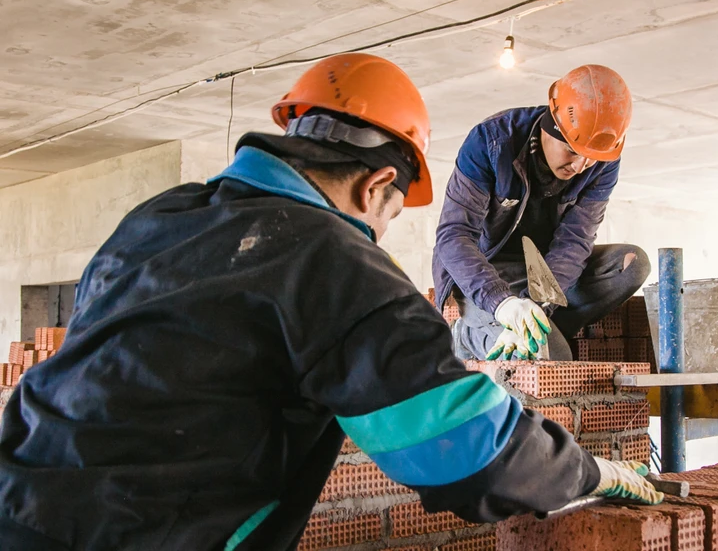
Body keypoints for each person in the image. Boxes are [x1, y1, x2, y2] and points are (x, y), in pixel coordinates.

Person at [0, 53, 661, 551]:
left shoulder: (157, 217)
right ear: (376, 186)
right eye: (390, 217)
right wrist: (591, 473)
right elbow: (467, 449)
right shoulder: (342, 268)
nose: (378, 235)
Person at [433, 65, 650, 362]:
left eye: (591, 158)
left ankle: (543, 327)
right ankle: (467, 335)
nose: (580, 166)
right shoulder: (491, 141)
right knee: (552, 359)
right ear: (551, 125)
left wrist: (539, 304)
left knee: (632, 265)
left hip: (544, 270)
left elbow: (575, 241)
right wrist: (502, 304)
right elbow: (453, 235)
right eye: (572, 151)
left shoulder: (603, 163)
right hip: (487, 269)